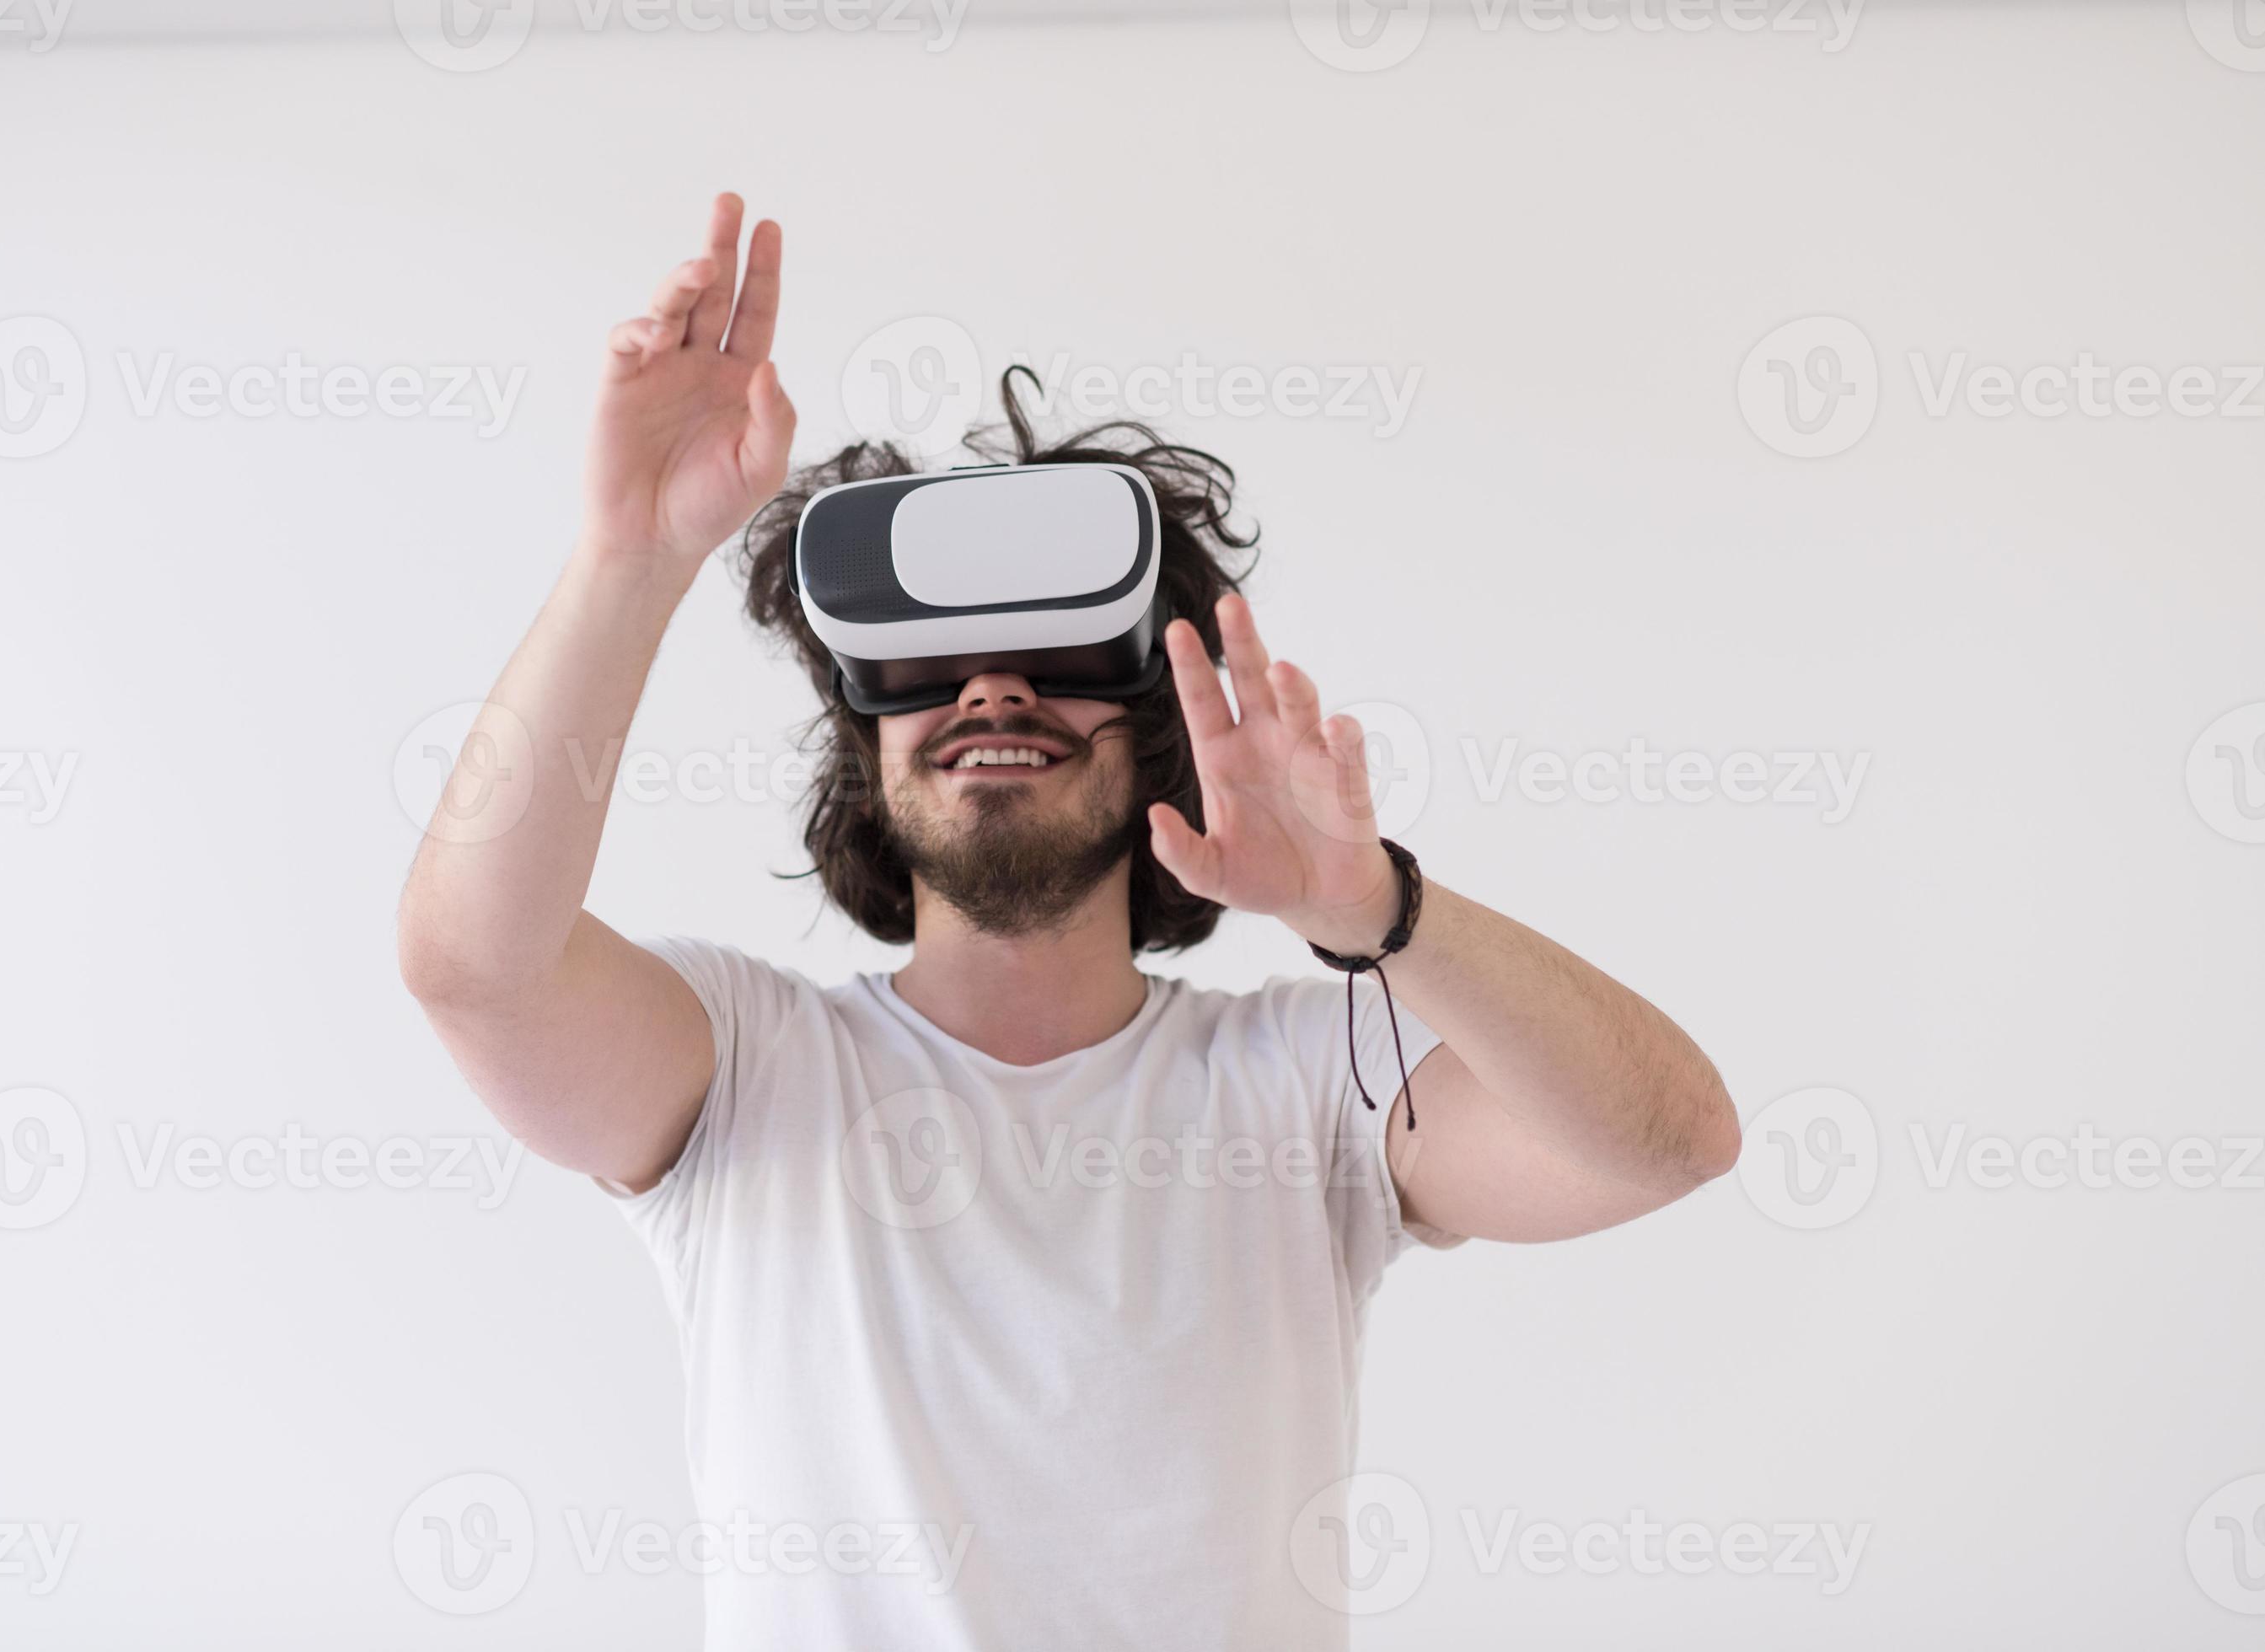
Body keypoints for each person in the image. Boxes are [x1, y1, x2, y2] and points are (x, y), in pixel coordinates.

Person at [397, 192, 1742, 1649]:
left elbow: (1667, 1141)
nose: (991, 689)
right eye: (925, 665)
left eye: (1054, 652)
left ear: (1157, 726)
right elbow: (475, 968)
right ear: (866, 745)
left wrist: (1377, 910)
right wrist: (629, 558)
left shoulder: (1306, 1087)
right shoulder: (744, 1070)